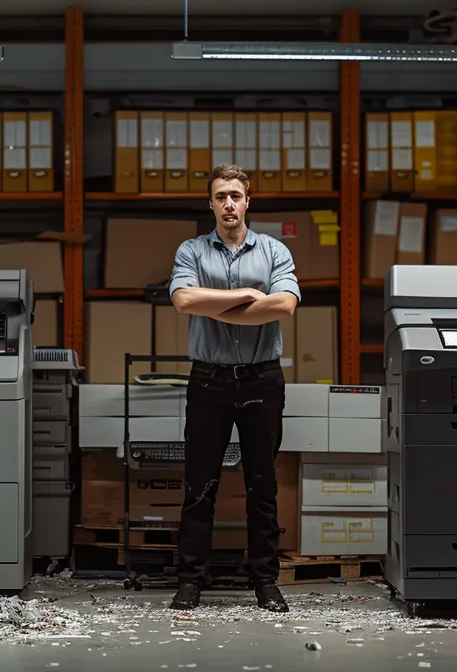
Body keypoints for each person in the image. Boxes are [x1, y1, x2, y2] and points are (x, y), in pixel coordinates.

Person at [164, 164, 299, 612]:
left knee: (263, 485)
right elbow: (183, 300)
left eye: (235, 196)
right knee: (199, 484)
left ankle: (265, 581)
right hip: (209, 380)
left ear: (247, 201)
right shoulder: (191, 250)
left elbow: (285, 305)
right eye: (220, 196)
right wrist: (246, 296)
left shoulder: (275, 250)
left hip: (262, 378)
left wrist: (213, 304)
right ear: (210, 203)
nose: (228, 204)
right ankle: (191, 581)